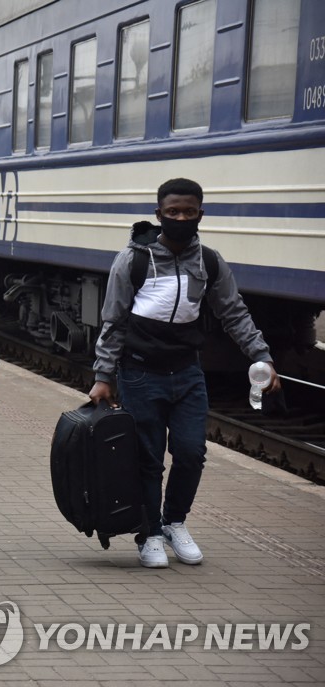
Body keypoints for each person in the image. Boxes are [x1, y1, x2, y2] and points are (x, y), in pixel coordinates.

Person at [89, 177, 280, 569]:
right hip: (141, 374)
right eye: (172, 212)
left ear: (200, 215)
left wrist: (261, 355)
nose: (180, 218)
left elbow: (233, 311)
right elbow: (113, 321)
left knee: (192, 453)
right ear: (159, 215)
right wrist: (103, 375)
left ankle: (175, 521)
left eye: (188, 212)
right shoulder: (134, 259)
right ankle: (150, 533)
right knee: (148, 459)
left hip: (188, 373)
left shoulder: (209, 260)